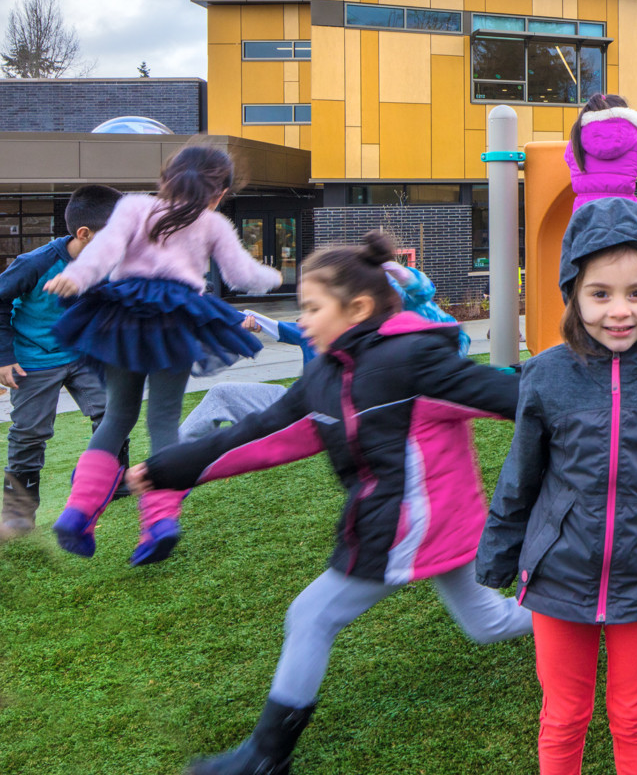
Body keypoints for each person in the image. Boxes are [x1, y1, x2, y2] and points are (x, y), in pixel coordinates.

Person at [128, 231, 530, 774]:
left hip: (407, 528)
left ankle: (266, 758)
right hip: (436, 525)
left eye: (313, 308)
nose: (305, 321)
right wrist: (165, 470)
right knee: (486, 623)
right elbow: (258, 434)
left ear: (358, 308)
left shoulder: (412, 362)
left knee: (312, 614)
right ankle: (579, 607)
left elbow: (511, 397)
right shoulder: (324, 376)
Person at [477, 198, 637, 775]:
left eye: (636, 294)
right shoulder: (544, 374)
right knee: (564, 714)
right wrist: (497, 555)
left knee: (635, 711)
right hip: (558, 574)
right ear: (573, 292)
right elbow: (520, 476)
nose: (619, 311)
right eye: (600, 294)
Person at [45, 145, 283, 565]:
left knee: (118, 415)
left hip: (121, 313)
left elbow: (104, 251)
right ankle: (159, 522)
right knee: (163, 420)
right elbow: (242, 275)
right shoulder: (212, 222)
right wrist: (275, 274)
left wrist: (75, 276)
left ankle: (78, 510)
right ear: (220, 192)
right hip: (173, 320)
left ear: (165, 178)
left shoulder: (134, 206)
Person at [178, 261, 471, 443]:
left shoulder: (386, 342)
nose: (310, 316)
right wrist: (247, 321)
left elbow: (439, 325)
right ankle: (169, 462)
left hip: (321, 419)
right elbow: (278, 327)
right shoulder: (316, 328)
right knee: (221, 394)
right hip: (295, 406)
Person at [0, 185, 122, 540]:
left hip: (84, 355)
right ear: (84, 234)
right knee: (30, 434)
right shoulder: (35, 264)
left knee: (113, 413)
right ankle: (18, 513)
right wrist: (4, 357)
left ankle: (107, 482)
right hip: (34, 358)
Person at [565, 93, 637, 212]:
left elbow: (570, 162)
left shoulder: (575, 142)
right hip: (623, 213)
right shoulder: (634, 144)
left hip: (585, 215)